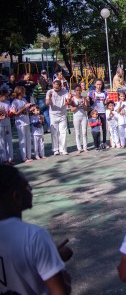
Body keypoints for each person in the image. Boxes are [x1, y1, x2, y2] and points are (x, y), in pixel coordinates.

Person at [0, 165, 71, 294]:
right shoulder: (35, 236)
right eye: (26, 185)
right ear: (16, 196)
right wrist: (58, 264)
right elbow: (61, 291)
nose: (31, 188)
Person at [11, 86, 33, 162]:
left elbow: (27, 109)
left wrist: (30, 109)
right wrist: (24, 107)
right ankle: (24, 157)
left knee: (28, 139)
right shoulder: (14, 102)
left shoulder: (24, 99)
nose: (24, 93)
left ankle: (29, 155)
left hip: (26, 121)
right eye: (23, 92)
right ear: (20, 92)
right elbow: (15, 114)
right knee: (22, 140)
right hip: (20, 123)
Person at [88, 79, 108, 148]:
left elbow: (105, 103)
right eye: (97, 84)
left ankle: (104, 142)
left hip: (102, 112)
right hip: (95, 113)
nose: (99, 86)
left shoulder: (104, 92)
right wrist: (92, 99)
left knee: (104, 128)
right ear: (95, 85)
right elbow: (90, 103)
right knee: (96, 128)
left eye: (100, 84)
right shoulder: (92, 92)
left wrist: (106, 102)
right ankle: (97, 143)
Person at [69, 84, 89, 154]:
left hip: (83, 116)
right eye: (77, 90)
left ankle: (85, 147)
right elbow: (72, 110)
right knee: (77, 133)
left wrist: (83, 104)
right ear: (75, 91)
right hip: (76, 116)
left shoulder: (84, 98)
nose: (79, 92)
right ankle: (79, 148)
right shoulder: (73, 99)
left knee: (84, 132)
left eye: (80, 90)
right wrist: (77, 106)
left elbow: (86, 108)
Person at [0, 88, 14, 164]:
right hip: (1, 125)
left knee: (8, 141)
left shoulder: (7, 102)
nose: (6, 97)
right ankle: (4, 159)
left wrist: (11, 112)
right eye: (5, 96)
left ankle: (10, 158)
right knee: (2, 142)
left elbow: (9, 113)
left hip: (7, 123)